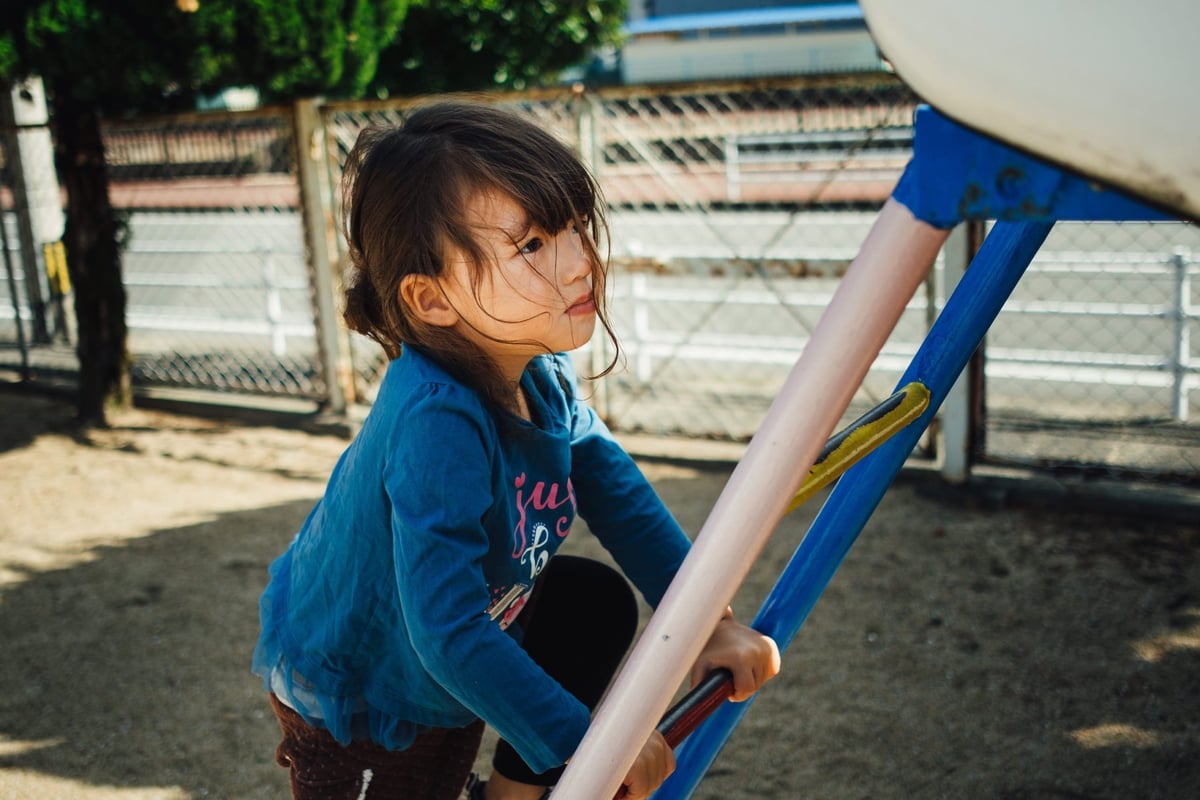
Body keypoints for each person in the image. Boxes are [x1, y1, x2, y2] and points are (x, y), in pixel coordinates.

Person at [251, 98, 781, 800]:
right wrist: (590, 743)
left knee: (589, 603)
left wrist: (708, 625)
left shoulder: (538, 370)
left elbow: (617, 494)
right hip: (367, 690)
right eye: (531, 246)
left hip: (455, 642)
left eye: (574, 227)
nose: (580, 263)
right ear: (432, 300)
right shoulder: (436, 424)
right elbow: (446, 632)